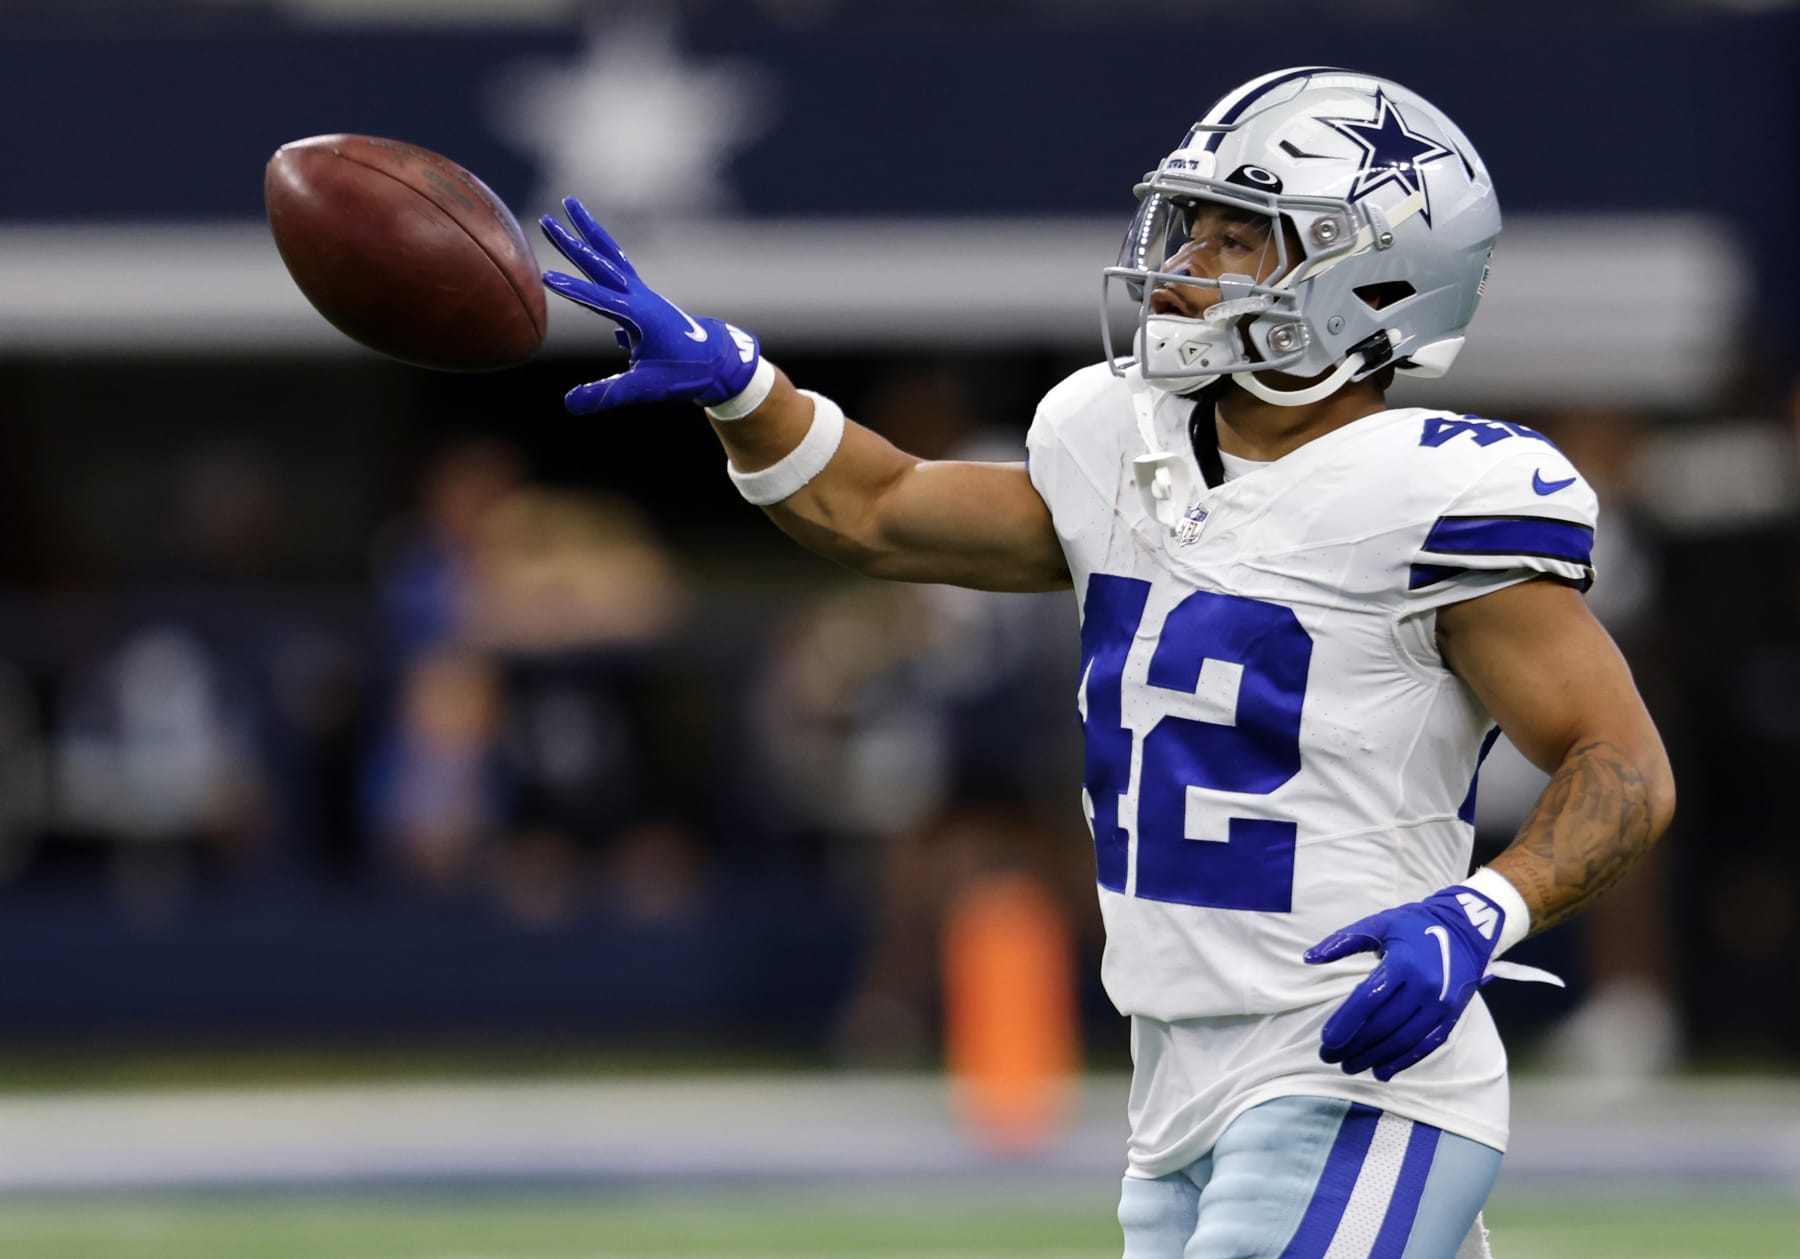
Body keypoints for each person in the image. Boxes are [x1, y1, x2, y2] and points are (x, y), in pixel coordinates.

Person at [536, 67, 1675, 1259]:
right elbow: (878, 510)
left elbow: (1626, 766)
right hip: (1174, 1075)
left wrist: (1485, 910)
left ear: (1371, 274)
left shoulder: (1436, 493)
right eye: (1194, 224)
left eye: (1242, 237)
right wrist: (742, 387)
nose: (1185, 262)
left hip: (1354, 1063)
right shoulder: (1122, 445)